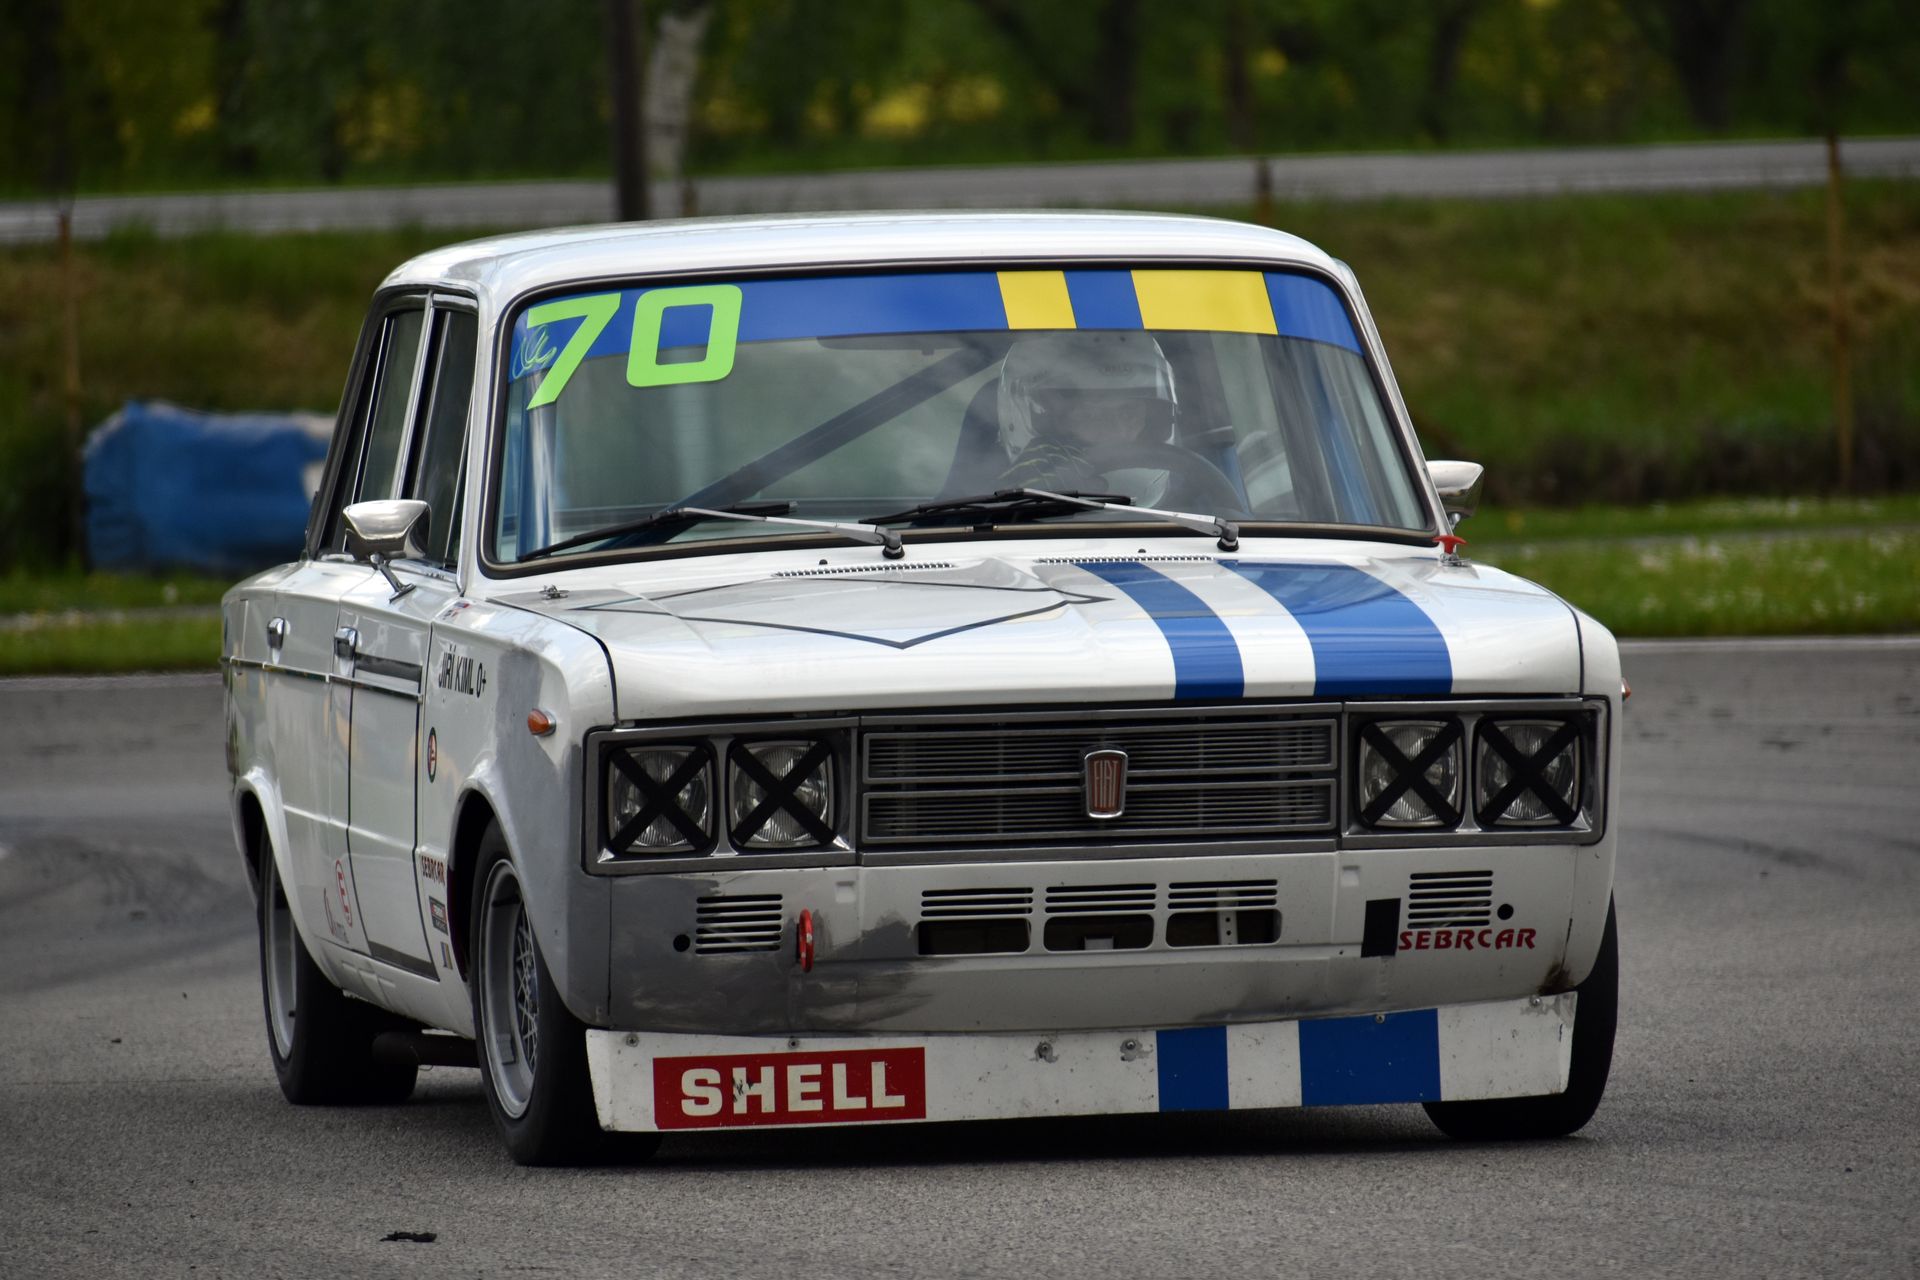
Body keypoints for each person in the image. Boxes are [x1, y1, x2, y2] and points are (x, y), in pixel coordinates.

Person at [996, 331, 1180, 503]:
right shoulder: (1038, 470)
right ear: (1053, 420)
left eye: (1129, 412)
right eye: (1094, 414)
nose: (1118, 430)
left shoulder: (1190, 498)